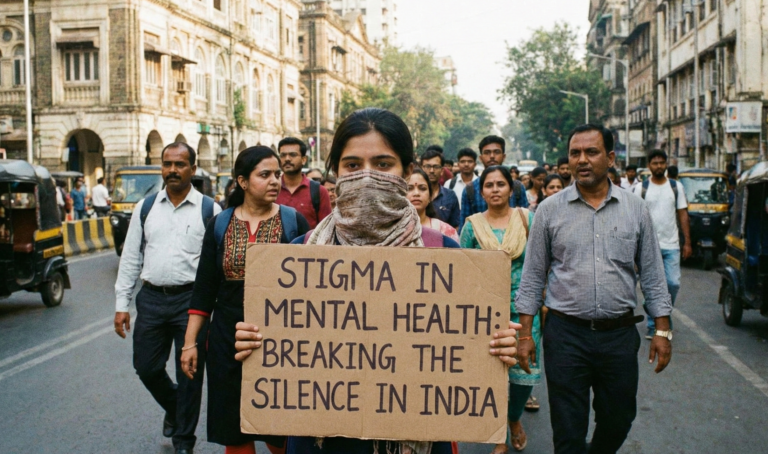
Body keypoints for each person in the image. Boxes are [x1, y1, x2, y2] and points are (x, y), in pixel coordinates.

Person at [232, 108, 522, 454]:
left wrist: (494, 346)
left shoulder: (445, 254)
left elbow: (465, 345)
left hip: (420, 433)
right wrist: (257, 341)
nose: (367, 177)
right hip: (320, 440)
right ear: (335, 171)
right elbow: (281, 341)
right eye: (353, 166)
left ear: (406, 171)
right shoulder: (299, 256)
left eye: (383, 164)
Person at [515, 124, 673, 454]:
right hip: (565, 335)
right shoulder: (548, 211)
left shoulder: (635, 209)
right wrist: (526, 335)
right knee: (568, 430)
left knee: (619, 419)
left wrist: (662, 330)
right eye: (575, 153)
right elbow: (532, 278)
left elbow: (654, 276)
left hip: (618, 336)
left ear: (610, 158)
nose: (582, 160)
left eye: (592, 152)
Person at [180, 146, 307, 454]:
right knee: (234, 431)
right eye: (265, 175)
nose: (275, 181)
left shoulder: (294, 223)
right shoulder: (220, 225)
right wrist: (189, 343)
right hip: (225, 338)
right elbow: (204, 289)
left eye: (276, 174)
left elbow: (310, 288)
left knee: (280, 432)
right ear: (243, 182)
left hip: (280, 339)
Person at [113, 142, 221, 454]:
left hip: (192, 303)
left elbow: (215, 266)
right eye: (167, 164)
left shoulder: (208, 210)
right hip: (151, 300)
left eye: (180, 164)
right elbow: (131, 257)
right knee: (146, 367)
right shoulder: (145, 208)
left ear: (193, 168)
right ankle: (176, 409)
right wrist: (122, 304)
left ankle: (183, 441)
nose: (172, 170)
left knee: (189, 374)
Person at [460, 165, 538, 453]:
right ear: (481, 192)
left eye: (500, 184)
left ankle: (514, 417)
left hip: (525, 311)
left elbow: (540, 263)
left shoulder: (527, 219)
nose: (495, 189)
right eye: (489, 185)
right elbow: (462, 268)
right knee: (489, 375)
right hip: (485, 312)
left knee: (524, 376)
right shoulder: (472, 225)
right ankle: (498, 438)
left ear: (511, 188)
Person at [633, 150, 691, 340]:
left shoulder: (676, 187)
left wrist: (687, 242)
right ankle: (653, 324)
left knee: (672, 283)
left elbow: (682, 214)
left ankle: (661, 314)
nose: (659, 166)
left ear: (666, 164)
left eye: (661, 163)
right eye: (655, 163)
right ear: (649, 165)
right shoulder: (641, 188)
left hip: (671, 244)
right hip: (647, 247)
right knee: (652, 287)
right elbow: (634, 219)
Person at [460, 135, 528, 229]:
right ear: (481, 158)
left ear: (503, 156)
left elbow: (525, 221)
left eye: (496, 152)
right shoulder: (470, 189)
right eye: (487, 153)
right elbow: (464, 227)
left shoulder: (517, 187)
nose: (492, 156)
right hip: (479, 241)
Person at [275, 138, 332, 229]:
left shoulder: (319, 191)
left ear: (304, 160)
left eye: (293, 155)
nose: (287, 159)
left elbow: (326, 230)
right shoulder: (272, 189)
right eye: (283, 155)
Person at [407, 167, 459, 242]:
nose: (416, 193)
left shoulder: (446, 232)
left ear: (430, 197)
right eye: (409, 188)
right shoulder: (391, 230)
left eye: (422, 188)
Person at [420, 149, 461, 228]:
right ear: (421, 168)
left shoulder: (450, 196)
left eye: (436, 167)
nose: (431, 171)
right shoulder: (412, 194)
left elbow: (455, 226)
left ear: (442, 171)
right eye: (428, 166)